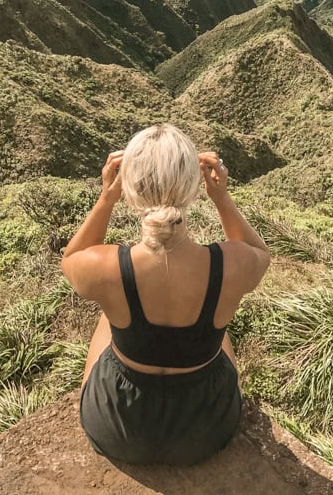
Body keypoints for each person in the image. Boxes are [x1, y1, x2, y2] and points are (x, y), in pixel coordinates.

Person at [61, 123, 271, 466]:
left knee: (110, 310)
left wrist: (106, 198)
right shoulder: (229, 265)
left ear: (130, 189)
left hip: (118, 430)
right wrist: (222, 197)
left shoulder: (107, 267)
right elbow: (257, 251)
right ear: (193, 188)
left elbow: (71, 259)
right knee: (218, 317)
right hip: (207, 430)